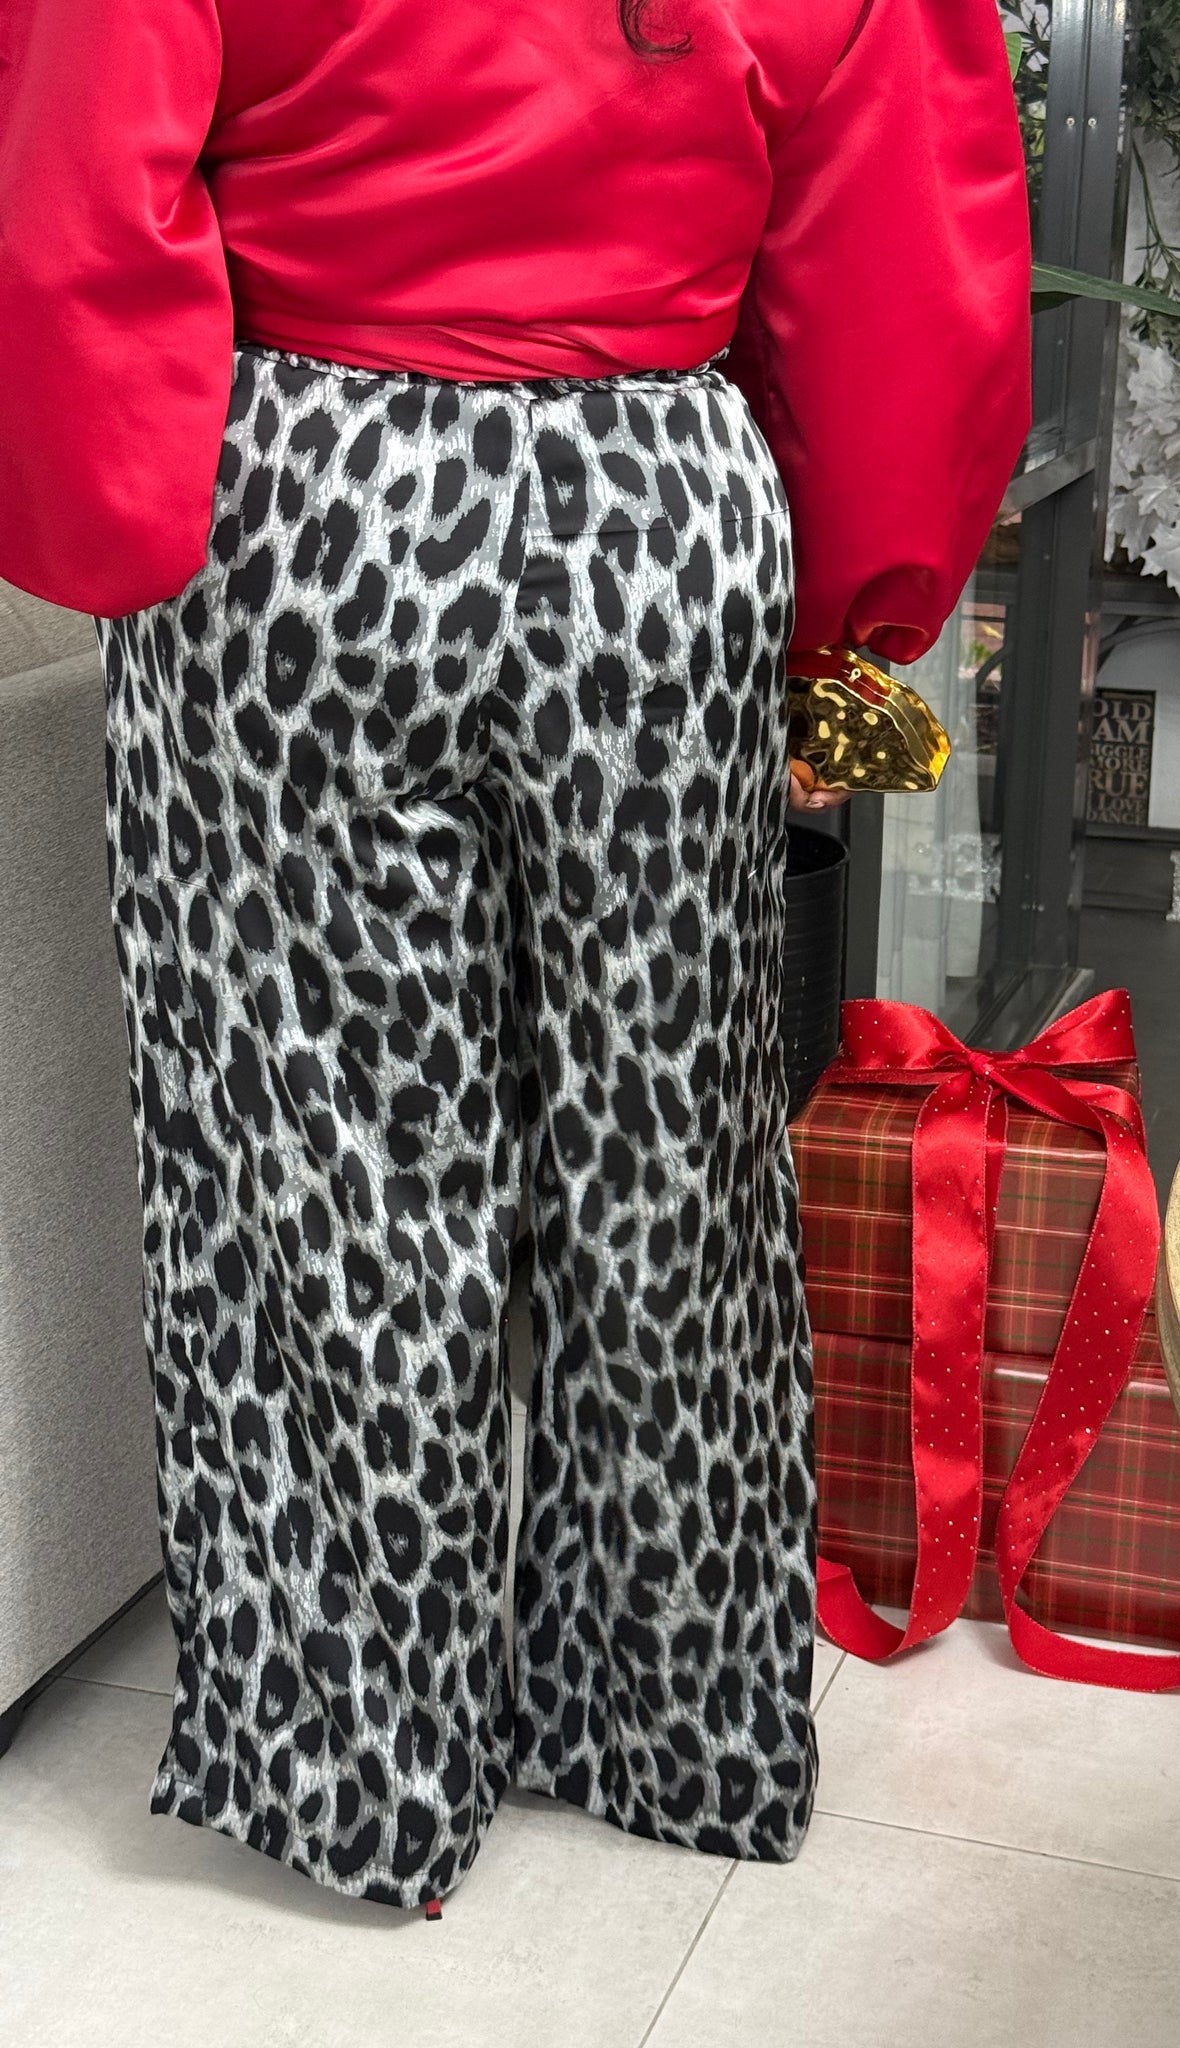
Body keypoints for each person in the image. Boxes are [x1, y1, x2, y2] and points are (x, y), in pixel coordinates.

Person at [0, 0, 1032, 1908]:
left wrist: (115, 505)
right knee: (669, 1147)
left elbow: (70, 195)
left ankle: (355, 1763)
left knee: (323, 1155)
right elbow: (908, 260)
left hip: (302, 506)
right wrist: (859, 605)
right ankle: (678, 1728)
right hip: (660, 512)